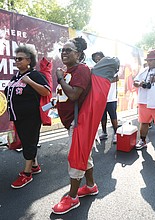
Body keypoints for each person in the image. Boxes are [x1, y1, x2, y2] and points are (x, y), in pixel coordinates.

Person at [52, 37, 98, 215]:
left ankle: (72, 198)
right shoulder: (70, 70)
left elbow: (74, 95)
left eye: (68, 50)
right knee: (84, 156)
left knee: (76, 159)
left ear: (78, 54)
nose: (63, 53)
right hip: (72, 121)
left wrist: (60, 79)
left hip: (78, 122)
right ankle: (91, 186)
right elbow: (65, 96)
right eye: (62, 50)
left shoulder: (81, 69)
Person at [4, 45, 51, 188]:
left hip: (31, 118)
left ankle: (27, 174)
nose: (16, 61)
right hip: (18, 117)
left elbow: (46, 92)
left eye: (20, 58)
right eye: (15, 58)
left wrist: (29, 82)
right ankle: (35, 166)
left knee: (29, 143)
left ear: (29, 60)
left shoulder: (35, 75)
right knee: (25, 142)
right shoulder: (16, 76)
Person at [91, 51, 119, 143]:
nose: (97, 60)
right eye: (96, 59)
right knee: (102, 116)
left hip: (111, 97)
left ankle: (116, 133)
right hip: (101, 98)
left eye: (99, 58)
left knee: (113, 116)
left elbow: (116, 78)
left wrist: (102, 81)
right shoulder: (95, 69)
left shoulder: (110, 68)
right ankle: (104, 132)